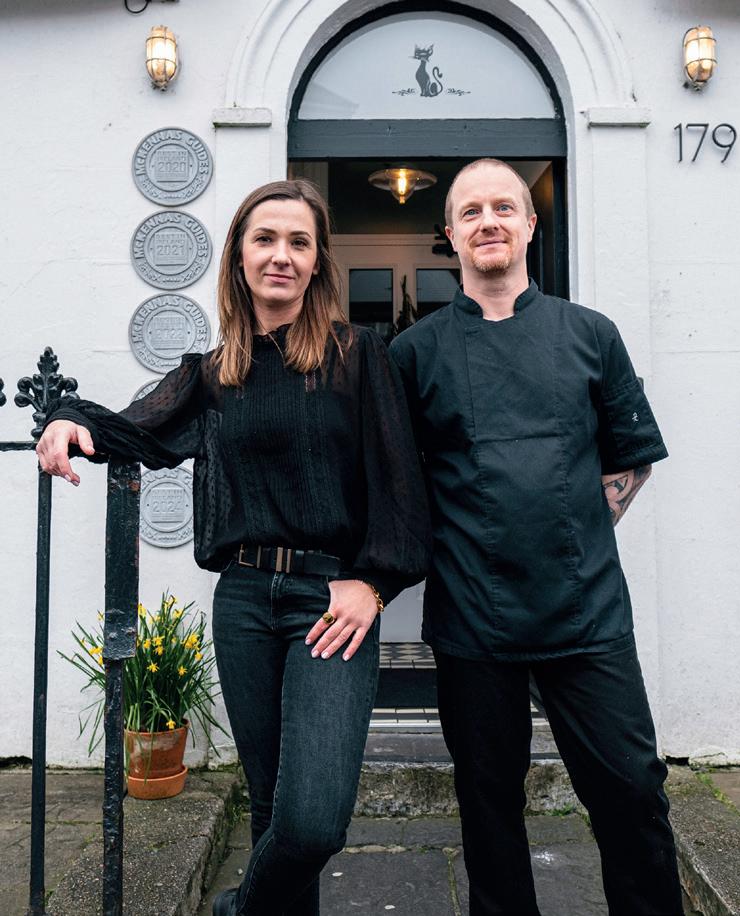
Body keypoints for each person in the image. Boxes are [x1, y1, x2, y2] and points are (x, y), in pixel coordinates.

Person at [36, 179, 431, 916]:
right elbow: (132, 430)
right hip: (245, 601)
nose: (281, 255)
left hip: (330, 602)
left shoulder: (357, 356)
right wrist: (64, 417)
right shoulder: (214, 374)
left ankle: (235, 909)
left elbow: (400, 482)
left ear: (317, 263)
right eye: (265, 239)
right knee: (270, 807)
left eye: (298, 242)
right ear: (239, 259)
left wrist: (373, 583)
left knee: (312, 822)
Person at [389, 159, 683, 916]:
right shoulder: (412, 353)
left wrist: (570, 530)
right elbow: (398, 483)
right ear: (449, 233)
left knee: (631, 791)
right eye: (470, 211)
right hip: (472, 618)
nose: (488, 221)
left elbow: (630, 456)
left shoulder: (590, 334)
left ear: (529, 224)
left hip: (586, 613)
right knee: (487, 806)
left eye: (503, 207)